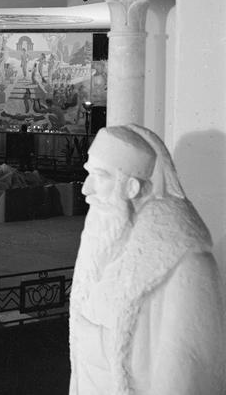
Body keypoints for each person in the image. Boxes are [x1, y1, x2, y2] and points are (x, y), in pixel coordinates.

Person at [69, 124, 225, 395]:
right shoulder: (102, 247)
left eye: (100, 176)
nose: (86, 189)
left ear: (131, 187)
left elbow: (187, 375)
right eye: (88, 173)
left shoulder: (184, 263)